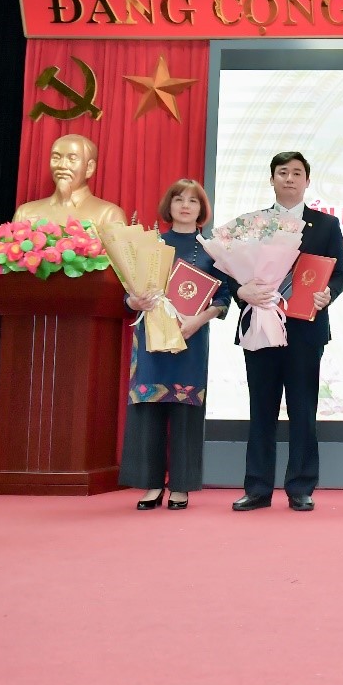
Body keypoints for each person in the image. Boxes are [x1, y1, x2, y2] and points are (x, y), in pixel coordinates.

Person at [228, 151, 343, 513]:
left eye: (297, 173)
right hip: (261, 325)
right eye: (283, 172)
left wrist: (329, 294)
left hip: (305, 329)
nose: (290, 178)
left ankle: (301, 487)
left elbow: (339, 275)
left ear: (307, 181)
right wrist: (240, 291)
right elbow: (230, 270)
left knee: (303, 409)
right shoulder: (253, 224)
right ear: (272, 179)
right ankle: (257, 488)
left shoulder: (325, 225)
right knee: (261, 409)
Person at [120, 179, 230, 510]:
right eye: (179, 199)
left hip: (190, 340)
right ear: (168, 205)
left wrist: (198, 320)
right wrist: (135, 302)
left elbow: (223, 298)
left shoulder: (212, 250)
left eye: (193, 201)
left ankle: (181, 486)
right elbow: (127, 294)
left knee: (185, 411)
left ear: (202, 209)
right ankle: (151, 484)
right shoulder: (150, 244)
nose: (185, 205)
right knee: (148, 409)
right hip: (151, 340)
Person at [14, 133, 127, 229]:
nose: (62, 165)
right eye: (56, 158)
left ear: (89, 168)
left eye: (72, 159)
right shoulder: (25, 212)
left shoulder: (108, 214)